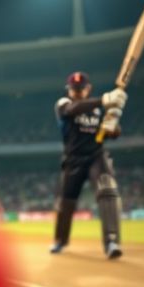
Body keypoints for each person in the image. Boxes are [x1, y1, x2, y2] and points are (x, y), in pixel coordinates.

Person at [51, 71, 127, 259]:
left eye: (80, 89)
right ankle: (60, 240)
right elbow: (71, 110)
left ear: (88, 88)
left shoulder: (100, 110)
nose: (76, 92)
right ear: (69, 90)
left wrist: (113, 126)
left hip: (96, 157)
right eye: (73, 89)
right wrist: (105, 99)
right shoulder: (63, 104)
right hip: (73, 160)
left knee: (108, 191)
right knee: (65, 202)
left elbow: (113, 134)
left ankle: (111, 242)